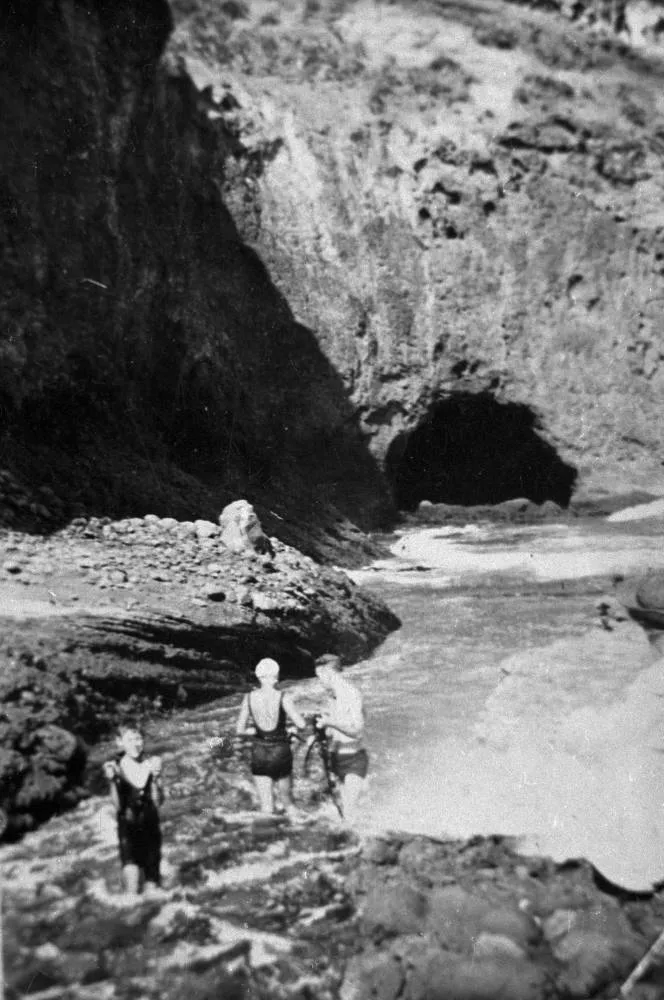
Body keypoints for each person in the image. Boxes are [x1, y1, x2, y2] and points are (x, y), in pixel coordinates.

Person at [236, 657, 306, 815]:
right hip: (281, 751)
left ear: (258, 676)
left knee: (266, 807)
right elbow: (301, 724)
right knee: (289, 804)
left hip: (259, 752)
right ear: (276, 676)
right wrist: (293, 729)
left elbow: (239, 730)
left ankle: (266, 836)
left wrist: (252, 732)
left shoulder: (248, 698)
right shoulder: (283, 697)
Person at [103, 726, 164, 897]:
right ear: (119, 742)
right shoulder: (114, 767)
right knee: (131, 889)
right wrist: (112, 781)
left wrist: (156, 778)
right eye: (130, 740)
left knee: (152, 893)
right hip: (128, 832)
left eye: (139, 739)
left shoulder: (152, 763)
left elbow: (158, 802)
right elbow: (117, 806)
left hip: (151, 831)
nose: (136, 744)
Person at [314, 654, 368, 824]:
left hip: (353, 760)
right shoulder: (332, 696)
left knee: (349, 814)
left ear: (328, 673)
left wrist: (331, 722)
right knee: (342, 814)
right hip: (335, 758)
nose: (320, 682)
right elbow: (332, 731)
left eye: (319, 677)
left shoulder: (351, 694)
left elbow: (357, 731)